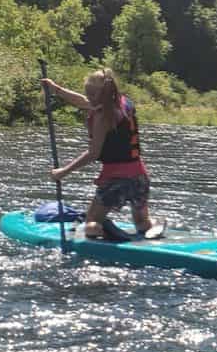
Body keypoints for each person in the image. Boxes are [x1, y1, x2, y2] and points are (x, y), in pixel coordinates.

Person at [41, 69, 162, 241]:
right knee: (142, 223)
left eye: (91, 93)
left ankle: (107, 231)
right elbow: (83, 102)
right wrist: (56, 89)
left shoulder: (103, 117)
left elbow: (93, 153)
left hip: (115, 177)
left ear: (102, 94)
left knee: (91, 223)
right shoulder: (124, 103)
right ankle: (147, 225)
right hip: (139, 174)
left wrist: (63, 172)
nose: (88, 97)